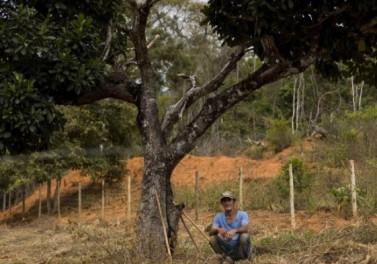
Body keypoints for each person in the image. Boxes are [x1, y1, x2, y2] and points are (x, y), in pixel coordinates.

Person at [208, 191, 252, 263]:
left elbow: (245, 228)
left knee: (244, 236)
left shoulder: (243, 214)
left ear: (233, 201)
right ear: (222, 203)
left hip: (240, 247)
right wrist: (217, 229)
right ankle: (224, 258)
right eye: (224, 201)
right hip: (227, 246)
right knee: (213, 239)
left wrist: (234, 230)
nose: (226, 203)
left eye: (229, 200)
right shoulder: (218, 217)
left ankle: (242, 259)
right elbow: (210, 232)